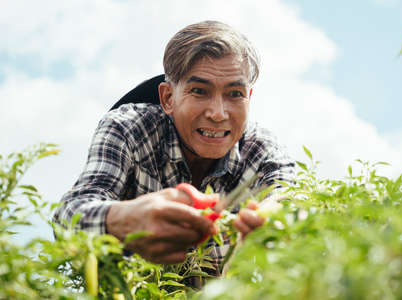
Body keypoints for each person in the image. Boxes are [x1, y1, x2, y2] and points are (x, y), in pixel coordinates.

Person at [53, 20, 296, 276]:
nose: (218, 113)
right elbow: (69, 215)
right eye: (199, 91)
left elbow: (293, 195)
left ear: (249, 98)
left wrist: (276, 217)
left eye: (235, 94)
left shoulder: (261, 150)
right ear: (168, 97)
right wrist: (123, 219)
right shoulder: (129, 129)